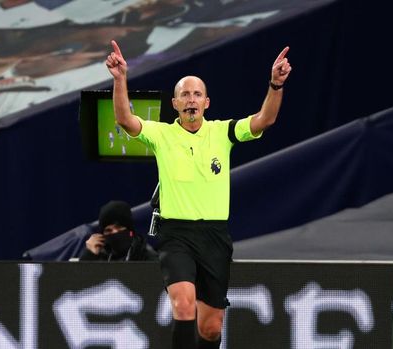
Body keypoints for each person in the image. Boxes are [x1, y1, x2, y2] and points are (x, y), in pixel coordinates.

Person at [105, 40, 291, 348]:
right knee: (182, 304)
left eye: (197, 94)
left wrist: (275, 84)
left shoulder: (223, 132)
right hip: (175, 233)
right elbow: (125, 119)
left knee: (210, 327)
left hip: (214, 236)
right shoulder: (162, 134)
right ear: (175, 104)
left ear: (206, 103)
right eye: (184, 94)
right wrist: (120, 79)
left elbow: (264, 120)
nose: (191, 99)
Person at [79, 200, 158, 261]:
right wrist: (89, 255)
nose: (115, 232)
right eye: (108, 230)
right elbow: (81, 279)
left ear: (130, 231)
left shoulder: (146, 256)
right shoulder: (99, 254)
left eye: (119, 227)